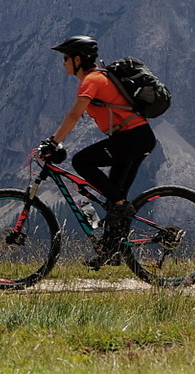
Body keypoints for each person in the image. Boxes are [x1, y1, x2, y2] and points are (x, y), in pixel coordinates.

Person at [37, 35, 156, 266]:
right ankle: (111, 251)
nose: (63, 63)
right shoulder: (99, 78)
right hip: (135, 138)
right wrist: (59, 142)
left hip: (133, 138)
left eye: (65, 58)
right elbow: (77, 120)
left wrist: (53, 142)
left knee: (82, 161)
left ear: (78, 59)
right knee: (114, 195)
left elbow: (73, 115)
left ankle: (121, 207)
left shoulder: (91, 80)